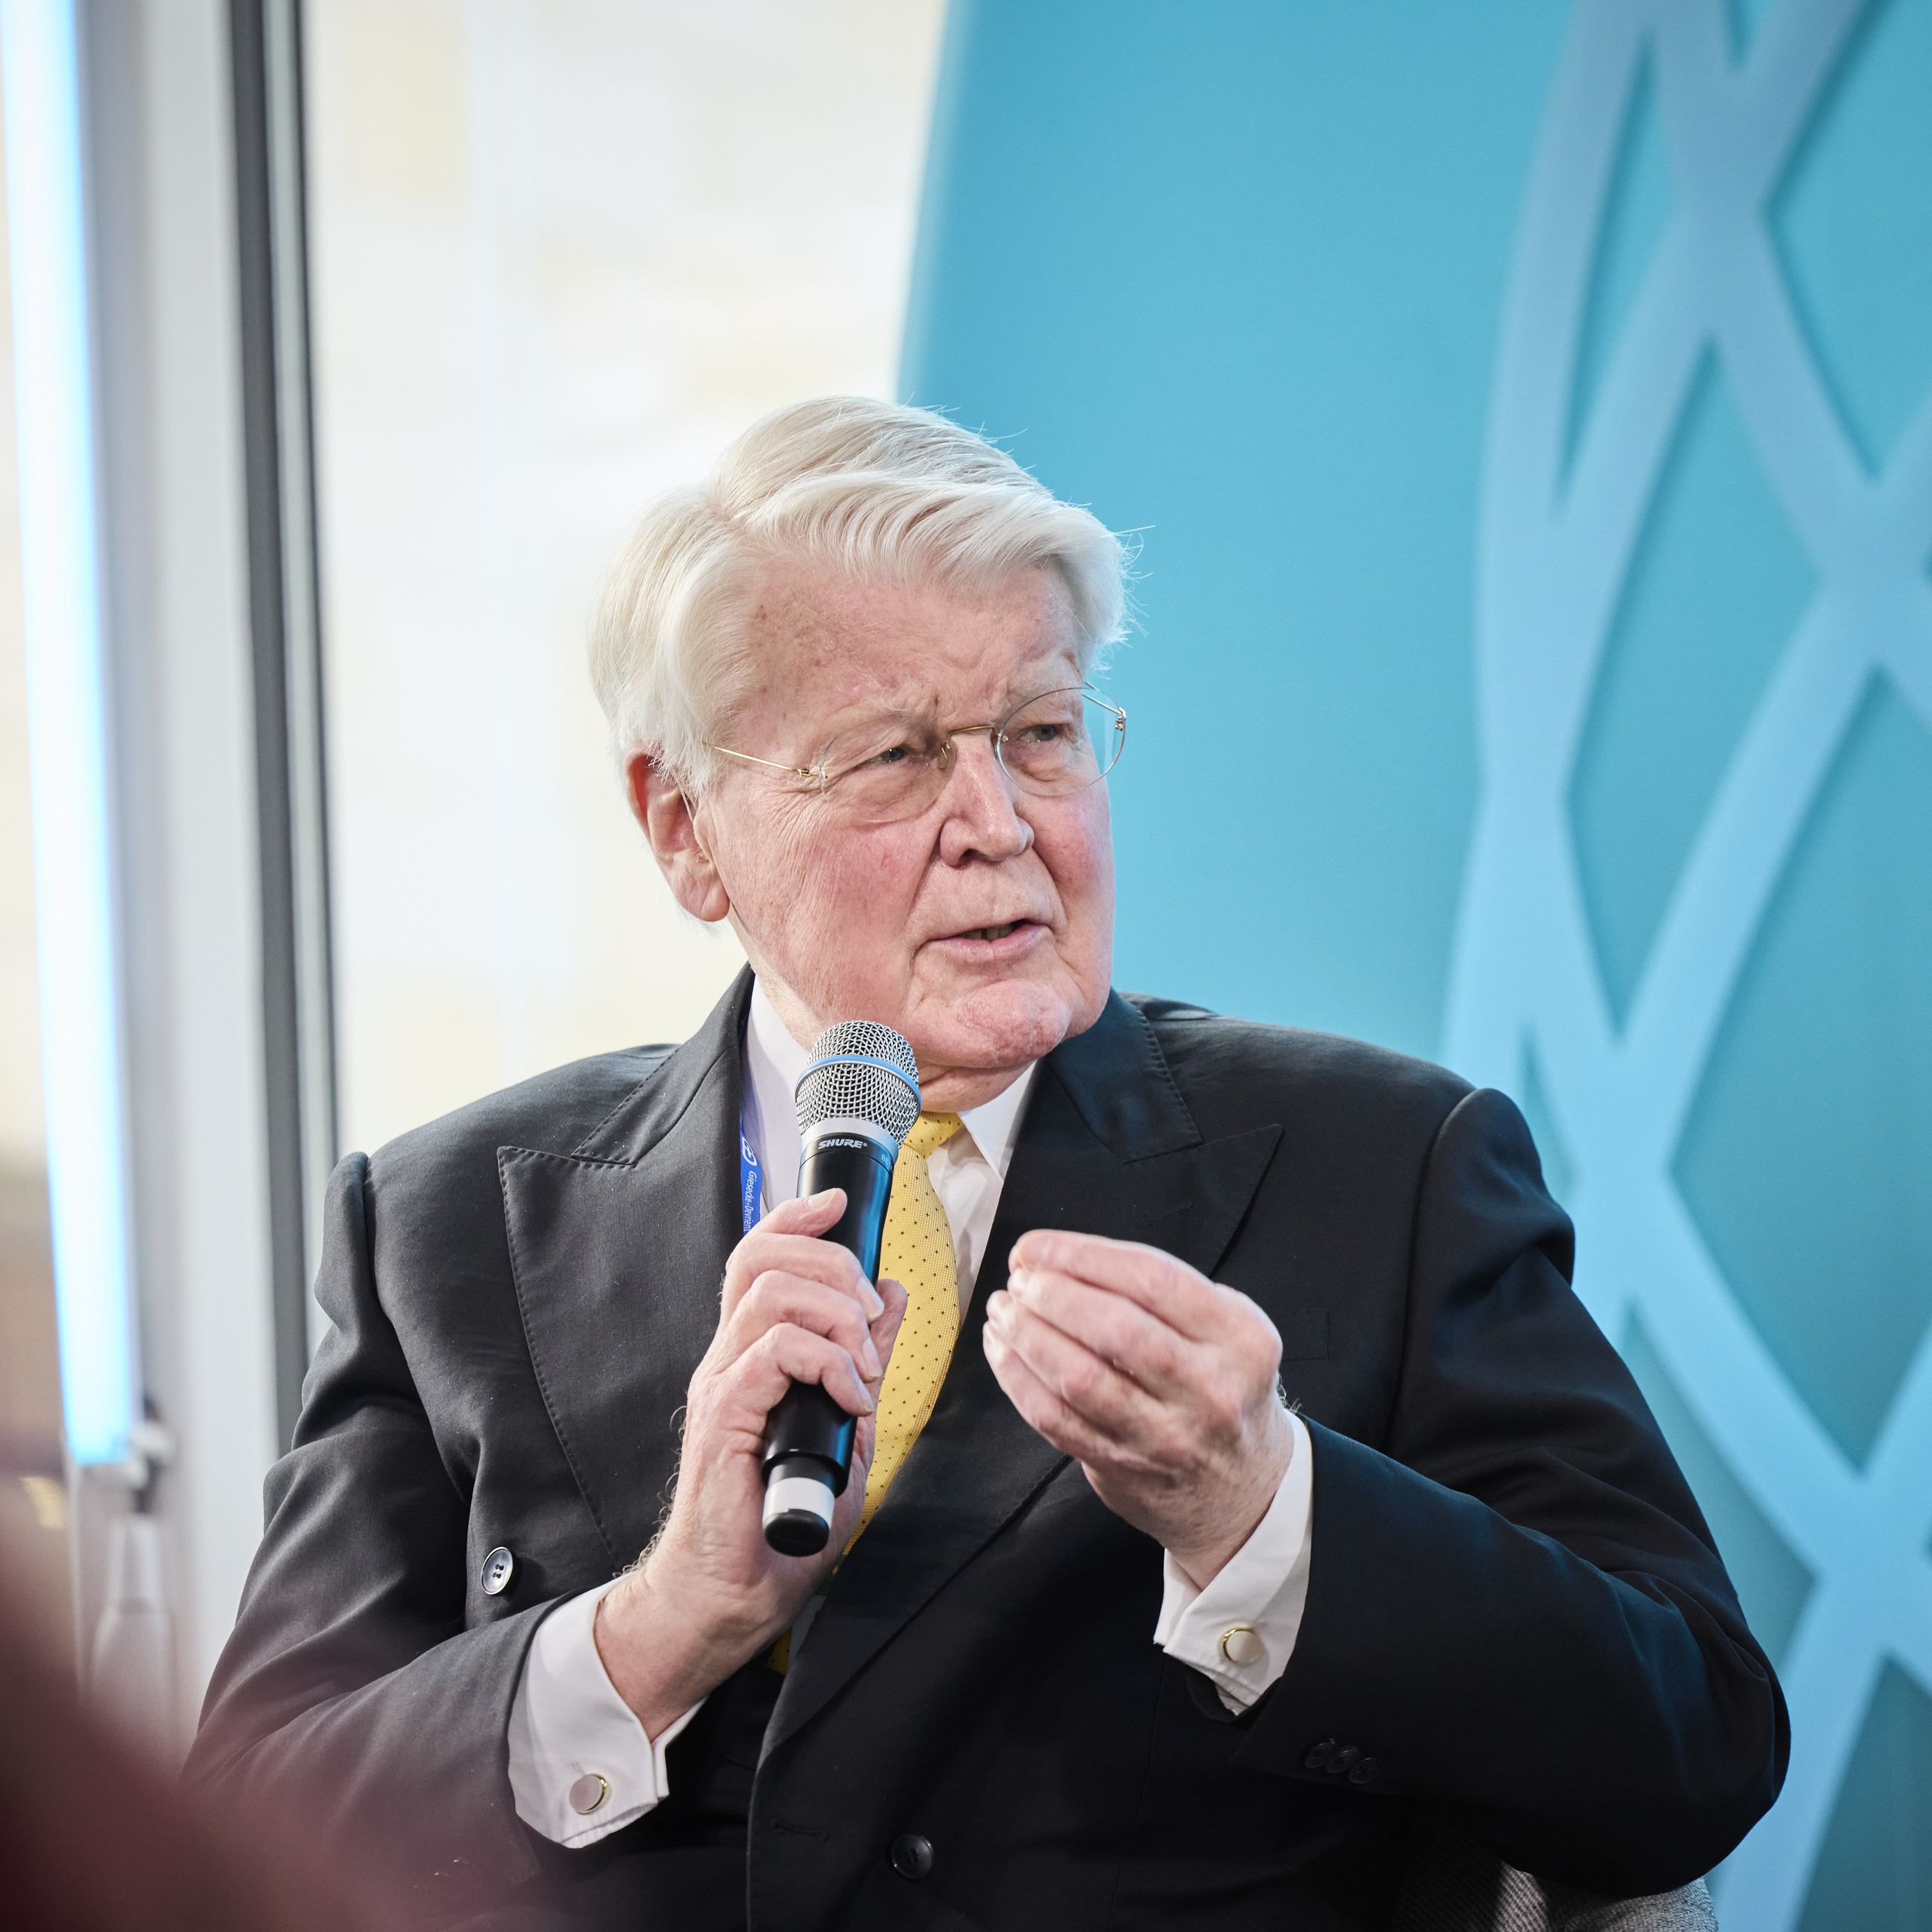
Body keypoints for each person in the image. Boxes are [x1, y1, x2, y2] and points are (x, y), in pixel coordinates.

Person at [186, 399, 1786, 1930]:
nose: (998, 821)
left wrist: (1271, 1515)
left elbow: (1686, 1746)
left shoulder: (1382, 1171)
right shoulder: (446, 1225)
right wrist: (653, 1628)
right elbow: (227, 1841)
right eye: (891, 755)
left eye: (1037, 731)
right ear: (681, 826)